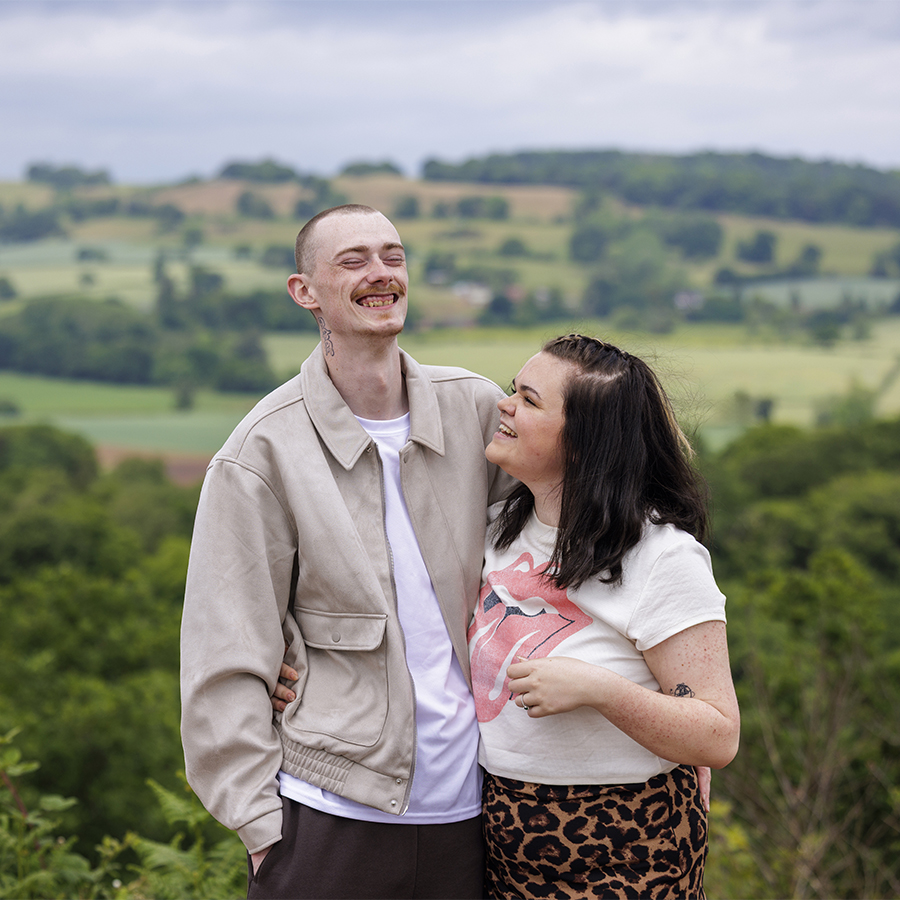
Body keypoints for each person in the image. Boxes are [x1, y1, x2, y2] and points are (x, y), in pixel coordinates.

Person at [180, 204, 514, 899]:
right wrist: (262, 830)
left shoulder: (479, 409)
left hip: (481, 811)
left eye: (393, 256)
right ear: (306, 292)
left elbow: (557, 558)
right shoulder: (260, 452)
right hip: (330, 820)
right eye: (354, 260)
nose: (381, 273)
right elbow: (224, 656)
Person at [467, 334, 740, 898]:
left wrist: (599, 689)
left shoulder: (663, 557)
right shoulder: (496, 530)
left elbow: (717, 735)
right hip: (499, 836)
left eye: (530, 399)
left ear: (585, 442)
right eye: (513, 388)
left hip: (626, 847)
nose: (505, 404)